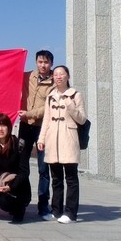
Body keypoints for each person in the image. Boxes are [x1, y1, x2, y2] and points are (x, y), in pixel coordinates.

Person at [36, 65, 86, 224]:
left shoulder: (76, 95)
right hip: (53, 140)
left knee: (71, 178)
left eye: (61, 74)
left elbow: (82, 119)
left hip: (69, 139)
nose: (58, 77)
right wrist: (41, 139)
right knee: (56, 178)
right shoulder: (50, 96)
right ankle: (56, 211)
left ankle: (71, 213)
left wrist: (70, 106)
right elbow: (46, 119)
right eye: (56, 74)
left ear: (67, 76)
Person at [18, 50, 54, 218]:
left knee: (43, 168)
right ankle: (22, 201)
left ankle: (43, 206)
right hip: (25, 126)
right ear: (36, 62)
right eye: (40, 62)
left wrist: (28, 114)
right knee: (22, 166)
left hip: (43, 128)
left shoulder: (54, 83)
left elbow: (48, 107)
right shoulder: (27, 76)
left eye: (46, 62)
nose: (43, 65)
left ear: (51, 64)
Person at [0, 113, 32, 223]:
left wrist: (10, 186)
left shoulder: (19, 144)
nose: (0, 129)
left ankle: (18, 210)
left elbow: (24, 172)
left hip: (17, 185)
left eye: (3, 125)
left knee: (4, 202)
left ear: (9, 127)